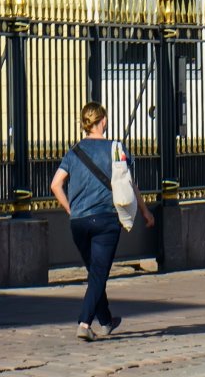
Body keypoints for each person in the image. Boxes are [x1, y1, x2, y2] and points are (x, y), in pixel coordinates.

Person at [50, 102, 154, 342]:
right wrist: (145, 211)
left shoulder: (73, 151)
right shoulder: (116, 149)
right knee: (98, 273)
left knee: (96, 271)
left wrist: (70, 209)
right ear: (103, 121)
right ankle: (84, 323)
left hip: (78, 222)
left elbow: (55, 185)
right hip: (106, 220)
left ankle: (105, 320)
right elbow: (128, 184)